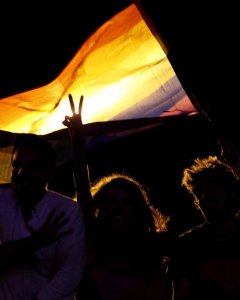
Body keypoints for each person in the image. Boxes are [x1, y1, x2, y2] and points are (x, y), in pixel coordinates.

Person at [62, 94, 173, 300]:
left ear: (135, 208)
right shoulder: (94, 239)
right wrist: (78, 145)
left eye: (125, 202)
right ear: (102, 207)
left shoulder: (148, 251)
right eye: (112, 201)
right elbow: (84, 193)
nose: (118, 207)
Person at [0, 133, 86, 300]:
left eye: (32, 166)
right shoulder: (2, 200)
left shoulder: (67, 210)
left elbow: (70, 271)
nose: (21, 172)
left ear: (50, 173)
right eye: (17, 165)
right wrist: (33, 243)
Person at [172, 155, 240, 300]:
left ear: (232, 192)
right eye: (198, 193)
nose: (204, 196)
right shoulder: (187, 244)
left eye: (212, 186)